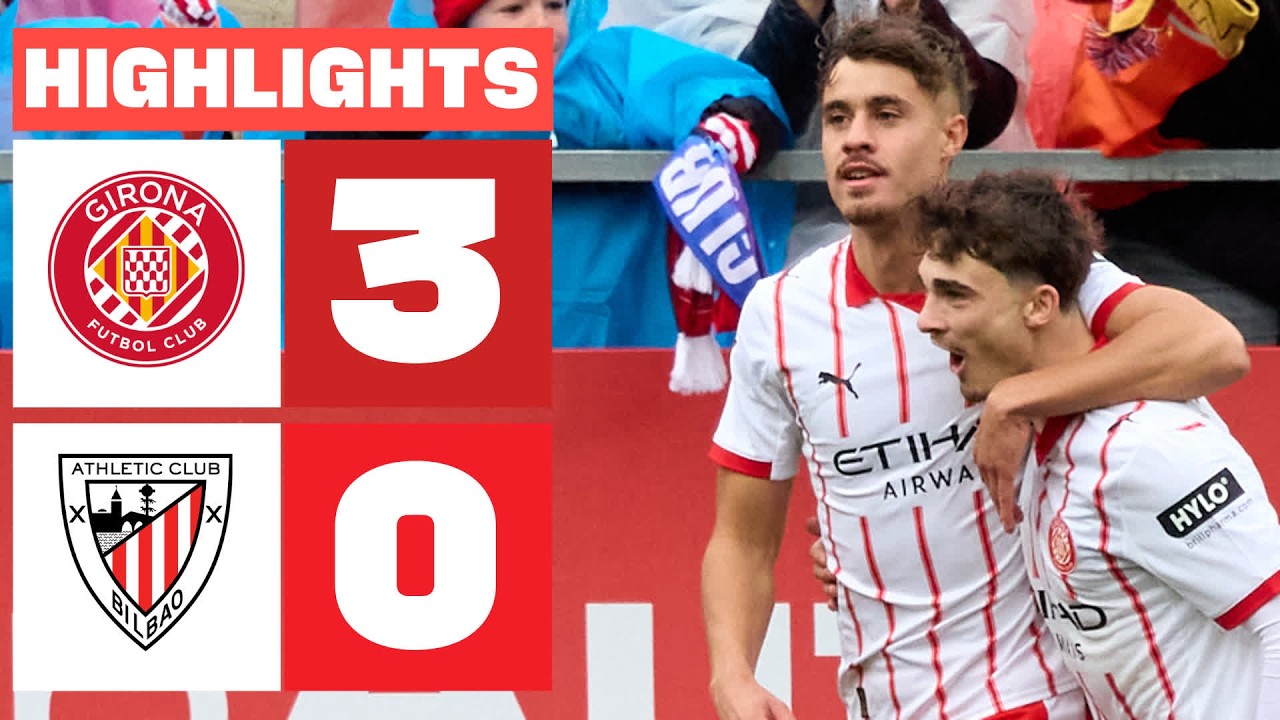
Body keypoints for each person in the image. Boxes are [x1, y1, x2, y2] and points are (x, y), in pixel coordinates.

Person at [700, 14, 1248, 720]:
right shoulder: (780, 312)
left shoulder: (1021, 265)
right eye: (837, 117)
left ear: (952, 136)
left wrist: (1019, 398)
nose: (856, 137)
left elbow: (1211, 346)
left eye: (887, 114)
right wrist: (732, 676)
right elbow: (742, 539)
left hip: (1034, 696)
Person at [912, 169, 1280, 719]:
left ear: (1040, 305)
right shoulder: (1045, 440)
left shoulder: (1143, 450)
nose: (926, 320)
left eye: (954, 295)